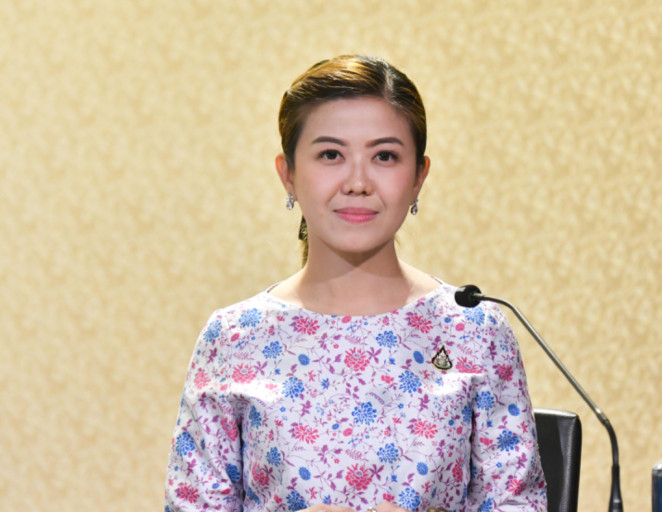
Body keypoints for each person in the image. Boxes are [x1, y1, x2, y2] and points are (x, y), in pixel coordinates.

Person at [165, 55, 546, 512]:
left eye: (385, 156)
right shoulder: (233, 339)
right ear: (288, 175)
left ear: (419, 177)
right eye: (331, 155)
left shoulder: (475, 330)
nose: (358, 182)